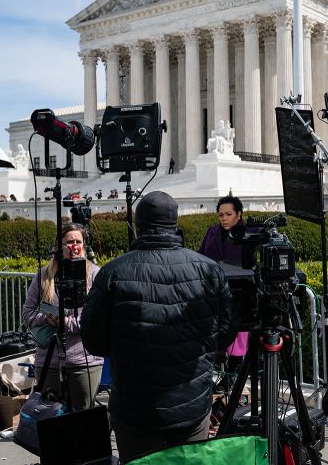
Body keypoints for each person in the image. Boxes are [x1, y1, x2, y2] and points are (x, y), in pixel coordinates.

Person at [80, 191, 236, 462]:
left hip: (135, 409)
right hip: (191, 405)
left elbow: (93, 340)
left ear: (138, 226)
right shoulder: (210, 270)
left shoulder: (113, 272)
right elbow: (225, 333)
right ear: (175, 225)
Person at [22, 222, 103, 410]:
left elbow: (93, 320)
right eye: (69, 242)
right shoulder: (44, 276)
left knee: (83, 420)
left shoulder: (94, 275)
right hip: (48, 359)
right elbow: (27, 314)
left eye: (78, 241)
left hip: (84, 362)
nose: (74, 246)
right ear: (58, 246)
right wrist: (48, 318)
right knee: (49, 419)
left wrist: (63, 322)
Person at [198, 195, 249, 389]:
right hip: (213, 295)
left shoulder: (247, 234)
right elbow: (201, 255)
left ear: (239, 214)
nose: (224, 219)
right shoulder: (211, 232)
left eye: (228, 214)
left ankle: (232, 379)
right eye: (221, 215)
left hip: (239, 296)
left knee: (237, 339)